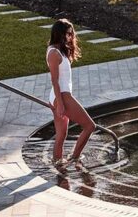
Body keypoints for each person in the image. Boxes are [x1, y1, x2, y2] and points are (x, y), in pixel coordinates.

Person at [46, 18, 96, 166]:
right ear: (59, 34)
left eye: (71, 34)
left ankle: (58, 164)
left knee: (61, 135)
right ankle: (74, 158)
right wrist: (60, 104)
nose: (70, 36)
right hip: (61, 96)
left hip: (60, 95)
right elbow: (54, 80)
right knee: (90, 126)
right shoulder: (54, 53)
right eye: (68, 34)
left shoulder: (59, 50)